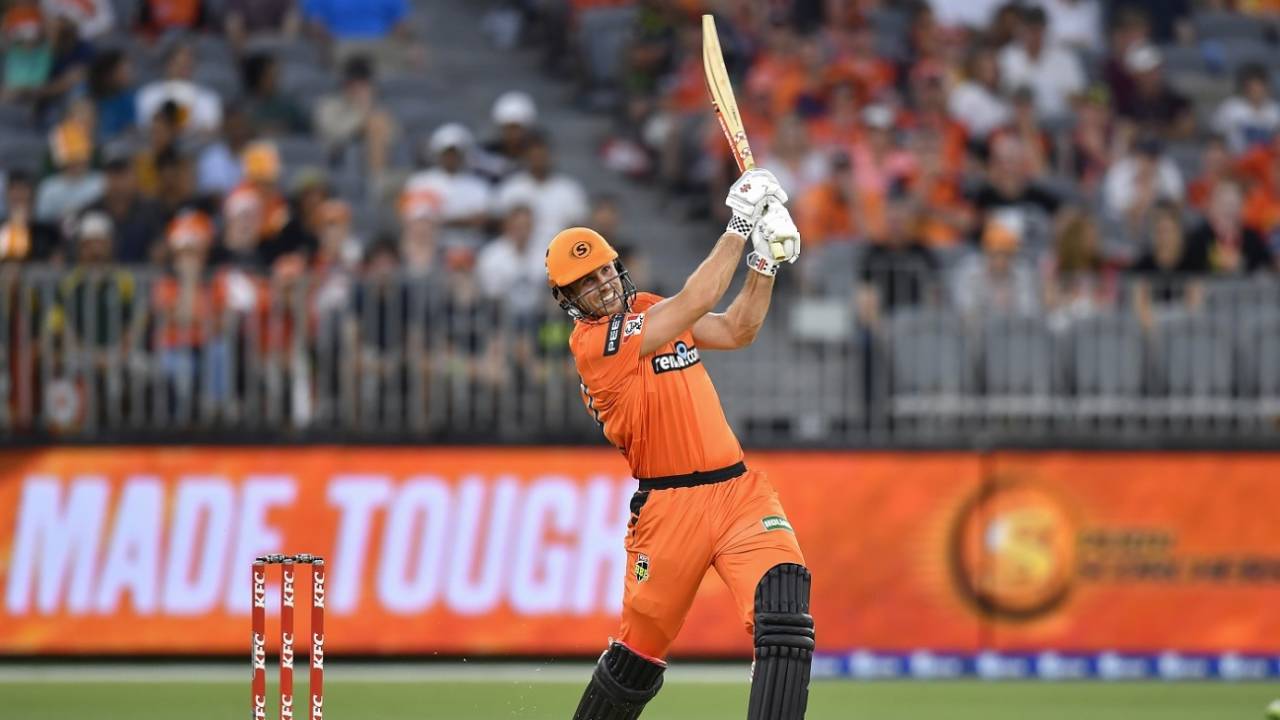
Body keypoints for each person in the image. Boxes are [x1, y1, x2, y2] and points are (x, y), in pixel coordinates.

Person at [546, 168, 813, 719]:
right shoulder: (595, 343)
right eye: (584, 286)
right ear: (569, 302)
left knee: (785, 609)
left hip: (739, 493)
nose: (600, 288)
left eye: (602, 274)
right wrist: (740, 223)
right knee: (637, 657)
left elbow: (737, 329)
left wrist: (765, 261)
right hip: (668, 511)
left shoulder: (649, 307)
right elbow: (699, 298)